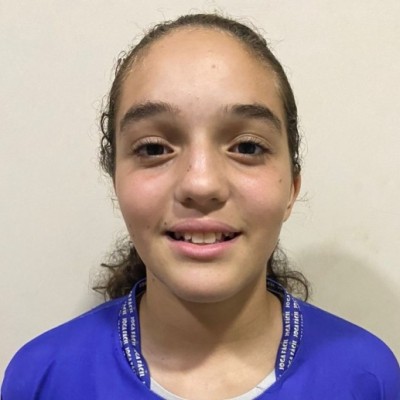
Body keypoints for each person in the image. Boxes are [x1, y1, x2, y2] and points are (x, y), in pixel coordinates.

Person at [1, 13, 399, 400]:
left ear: (292, 188)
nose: (201, 183)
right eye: (154, 149)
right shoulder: (42, 379)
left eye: (247, 147)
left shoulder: (366, 377)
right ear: (117, 181)